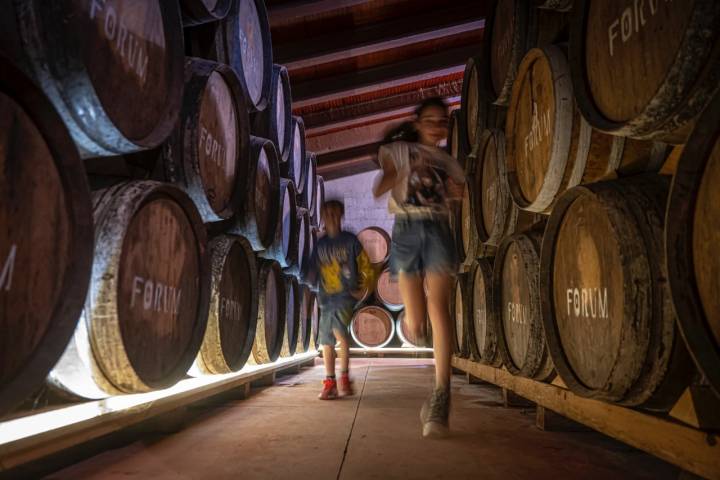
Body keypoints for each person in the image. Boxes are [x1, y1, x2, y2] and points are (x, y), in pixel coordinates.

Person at [372, 97, 464, 437]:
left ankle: (442, 394)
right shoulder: (399, 151)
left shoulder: (449, 162)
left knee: (440, 307)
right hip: (406, 230)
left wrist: (458, 193)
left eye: (442, 121)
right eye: (430, 120)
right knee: (415, 320)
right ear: (417, 122)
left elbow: (462, 194)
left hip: (437, 228)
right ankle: (418, 325)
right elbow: (379, 188)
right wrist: (393, 175)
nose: (437, 126)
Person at [306, 200, 376, 400]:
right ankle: (331, 381)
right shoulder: (321, 244)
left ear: (341, 216)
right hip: (325, 298)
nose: (331, 218)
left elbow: (367, 265)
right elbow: (312, 271)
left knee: (337, 332)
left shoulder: (350, 240)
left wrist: (364, 289)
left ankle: (342, 378)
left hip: (345, 296)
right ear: (323, 218)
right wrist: (308, 290)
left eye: (335, 214)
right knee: (325, 340)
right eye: (327, 214)